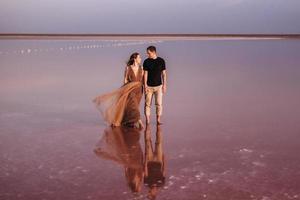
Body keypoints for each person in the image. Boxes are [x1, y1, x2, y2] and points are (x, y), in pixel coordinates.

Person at [92, 52, 144, 129]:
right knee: (133, 105)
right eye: (139, 58)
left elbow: (142, 79)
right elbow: (125, 80)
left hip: (139, 90)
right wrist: (124, 89)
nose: (140, 59)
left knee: (134, 106)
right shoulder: (128, 68)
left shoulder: (142, 68)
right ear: (135, 59)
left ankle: (130, 121)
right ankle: (139, 121)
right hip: (130, 89)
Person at [143, 46, 167, 125]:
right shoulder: (146, 61)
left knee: (159, 104)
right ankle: (148, 121)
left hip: (159, 87)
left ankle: (158, 120)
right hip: (149, 87)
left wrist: (164, 85)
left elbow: (164, 74)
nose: (147, 54)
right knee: (147, 104)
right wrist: (145, 85)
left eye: (149, 53)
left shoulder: (161, 61)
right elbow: (145, 74)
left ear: (154, 52)